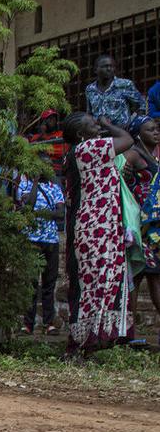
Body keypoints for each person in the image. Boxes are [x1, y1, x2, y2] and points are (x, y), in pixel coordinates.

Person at [62, 113, 135, 354]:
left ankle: (90, 340)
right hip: (96, 228)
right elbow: (127, 140)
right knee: (94, 285)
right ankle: (82, 341)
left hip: (100, 226)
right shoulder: (89, 148)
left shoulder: (79, 152)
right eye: (91, 123)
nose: (97, 124)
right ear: (81, 134)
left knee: (98, 284)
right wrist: (108, 124)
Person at [16, 164, 64, 335]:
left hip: (51, 240)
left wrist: (39, 214)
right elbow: (29, 205)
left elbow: (60, 214)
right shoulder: (25, 185)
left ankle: (49, 322)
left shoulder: (55, 187)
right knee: (30, 283)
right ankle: (28, 324)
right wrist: (35, 182)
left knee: (49, 284)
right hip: (31, 240)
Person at [128, 116, 160, 341]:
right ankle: (130, 332)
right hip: (139, 223)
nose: (156, 132)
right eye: (150, 130)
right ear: (138, 134)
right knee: (138, 277)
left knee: (153, 277)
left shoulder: (153, 156)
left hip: (154, 226)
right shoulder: (134, 154)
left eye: (156, 129)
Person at [85, 54, 146, 128]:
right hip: (99, 132)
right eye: (105, 66)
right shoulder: (90, 89)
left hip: (122, 131)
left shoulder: (125, 84)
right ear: (95, 70)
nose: (109, 69)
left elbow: (141, 106)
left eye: (112, 66)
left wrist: (134, 125)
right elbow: (89, 113)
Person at [28, 110, 67, 180]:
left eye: (54, 119)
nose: (53, 121)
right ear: (44, 122)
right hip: (37, 169)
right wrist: (42, 135)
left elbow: (62, 151)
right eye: (50, 119)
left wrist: (45, 149)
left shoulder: (61, 134)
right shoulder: (36, 137)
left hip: (56, 169)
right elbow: (31, 152)